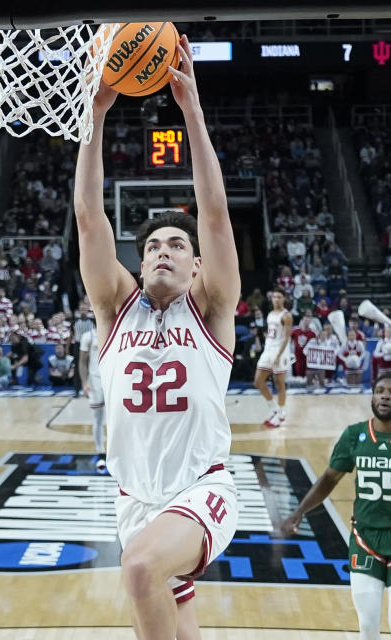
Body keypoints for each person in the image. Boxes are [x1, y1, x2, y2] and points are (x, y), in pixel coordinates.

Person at [74, 37, 239, 640]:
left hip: (202, 487)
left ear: (197, 267)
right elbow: (90, 218)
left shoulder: (213, 309)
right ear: (138, 265)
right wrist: (94, 114)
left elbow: (215, 213)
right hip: (133, 497)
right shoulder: (115, 308)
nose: (163, 251)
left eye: (177, 245)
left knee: (140, 569)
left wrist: (191, 109)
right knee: (176, 617)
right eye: (151, 246)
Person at [282, 373, 391, 640]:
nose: (385, 395)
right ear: (372, 396)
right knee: (368, 627)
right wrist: (299, 511)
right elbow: (329, 479)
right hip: (365, 538)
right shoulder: (354, 435)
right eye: (379, 390)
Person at [254, 287, 292, 428]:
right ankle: (274, 408)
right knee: (258, 381)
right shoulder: (270, 314)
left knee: (279, 383)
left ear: (284, 299)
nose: (276, 299)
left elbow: (286, 338)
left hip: (280, 351)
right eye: (274, 297)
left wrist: (278, 355)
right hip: (268, 350)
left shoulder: (286, 316)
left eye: (279, 297)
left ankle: (282, 412)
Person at [78, 324, 107, 471]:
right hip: (95, 381)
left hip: (113, 380)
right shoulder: (88, 336)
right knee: (98, 418)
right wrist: (84, 382)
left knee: (118, 419)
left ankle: (117, 451)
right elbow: (82, 361)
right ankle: (100, 451)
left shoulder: (116, 328)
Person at [303, 323, 340, 389]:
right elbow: (305, 350)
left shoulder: (328, 343)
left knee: (322, 379)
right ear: (319, 335)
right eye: (322, 335)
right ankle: (310, 385)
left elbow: (336, 350)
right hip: (313, 363)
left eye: (325, 335)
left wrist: (332, 355)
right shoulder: (313, 341)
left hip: (323, 364)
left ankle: (324, 383)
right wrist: (310, 356)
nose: (323, 336)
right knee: (309, 381)